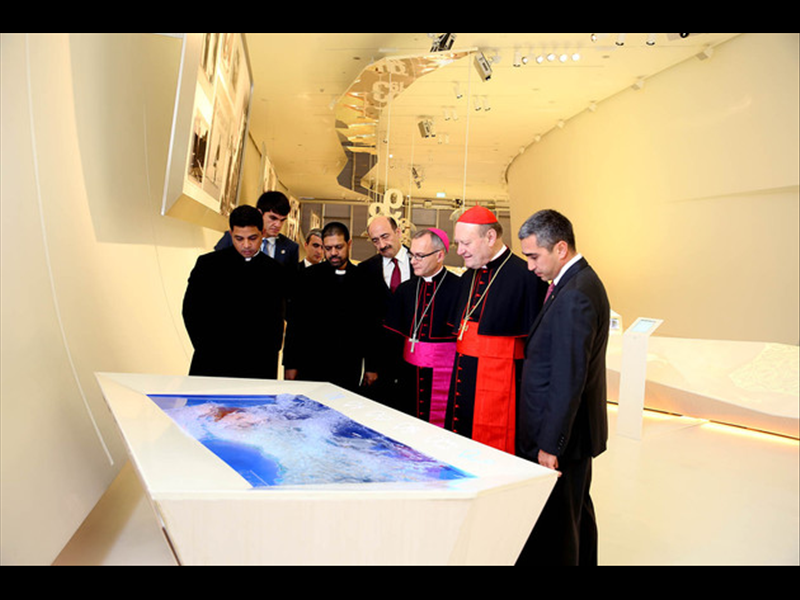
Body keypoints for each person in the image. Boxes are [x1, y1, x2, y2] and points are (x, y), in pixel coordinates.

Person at [515, 209, 610, 566]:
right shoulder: (574, 283)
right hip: (570, 432)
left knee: (560, 525)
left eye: (534, 257)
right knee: (576, 513)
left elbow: (569, 377)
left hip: (562, 437)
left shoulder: (576, 294)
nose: (530, 266)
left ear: (560, 248)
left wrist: (550, 444)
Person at [445, 206, 549, 454]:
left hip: (503, 390)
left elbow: (539, 351)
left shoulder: (527, 277)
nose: (459, 251)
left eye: (466, 243)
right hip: (463, 384)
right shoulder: (468, 277)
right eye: (458, 243)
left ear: (490, 237)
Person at [182, 205, 286, 379]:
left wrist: (270, 352)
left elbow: (276, 320)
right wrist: (206, 347)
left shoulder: (274, 271)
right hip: (212, 361)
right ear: (231, 234)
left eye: (252, 238)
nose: (246, 245)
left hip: (258, 364)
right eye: (239, 238)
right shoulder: (208, 265)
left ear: (262, 233)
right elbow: (191, 311)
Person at [282, 222, 378, 393]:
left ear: (349, 244)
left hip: (348, 366)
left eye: (338, 247)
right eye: (328, 248)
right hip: (311, 364)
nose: (333, 253)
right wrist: (290, 364)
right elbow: (295, 324)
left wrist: (371, 366)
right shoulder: (307, 277)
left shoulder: (364, 279)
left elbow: (371, 327)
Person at [384, 229, 461, 425]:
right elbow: (393, 339)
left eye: (419, 256)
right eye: (412, 255)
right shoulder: (405, 289)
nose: (412, 261)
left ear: (439, 256)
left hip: (447, 376)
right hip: (408, 376)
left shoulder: (459, 288)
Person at [359, 215, 415, 412]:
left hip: (413, 358)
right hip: (380, 363)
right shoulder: (366, 269)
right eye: (375, 240)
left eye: (385, 236)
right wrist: (370, 366)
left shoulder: (419, 262)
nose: (382, 245)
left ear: (398, 232)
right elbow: (365, 323)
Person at [215, 191, 299, 269]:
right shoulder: (231, 238)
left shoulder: (291, 248)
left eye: (282, 220)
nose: (278, 225)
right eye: (273, 218)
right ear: (259, 213)